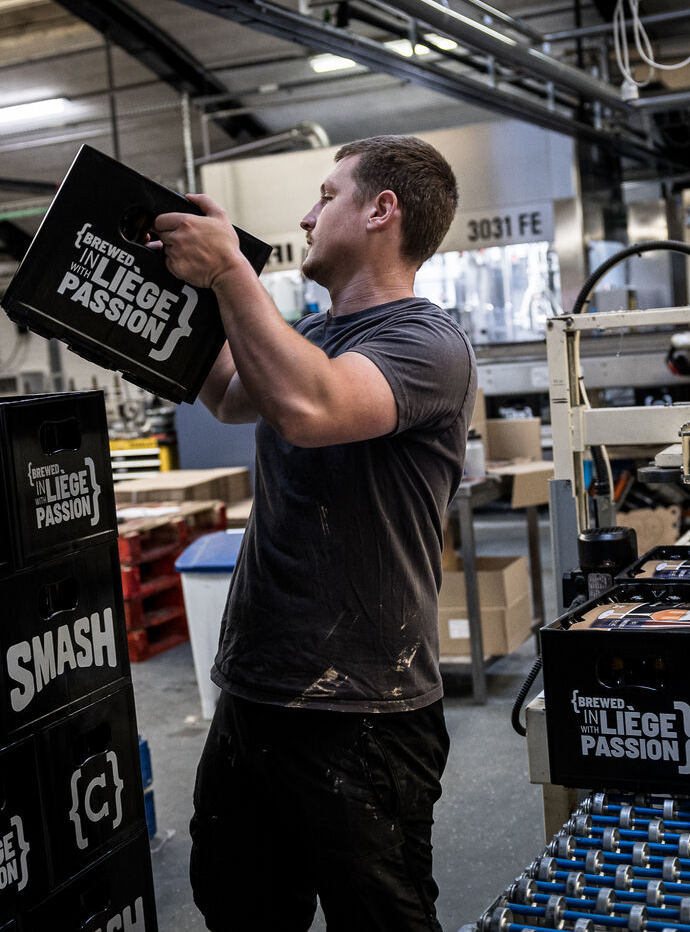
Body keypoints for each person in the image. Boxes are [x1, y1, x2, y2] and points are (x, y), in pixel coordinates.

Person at [150, 135, 475, 932]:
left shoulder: (426, 342)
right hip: (257, 685)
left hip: (363, 709)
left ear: (381, 210)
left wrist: (231, 271)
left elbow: (311, 408)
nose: (305, 216)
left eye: (326, 197)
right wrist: (169, 290)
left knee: (381, 920)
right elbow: (228, 393)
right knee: (240, 905)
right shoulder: (313, 334)